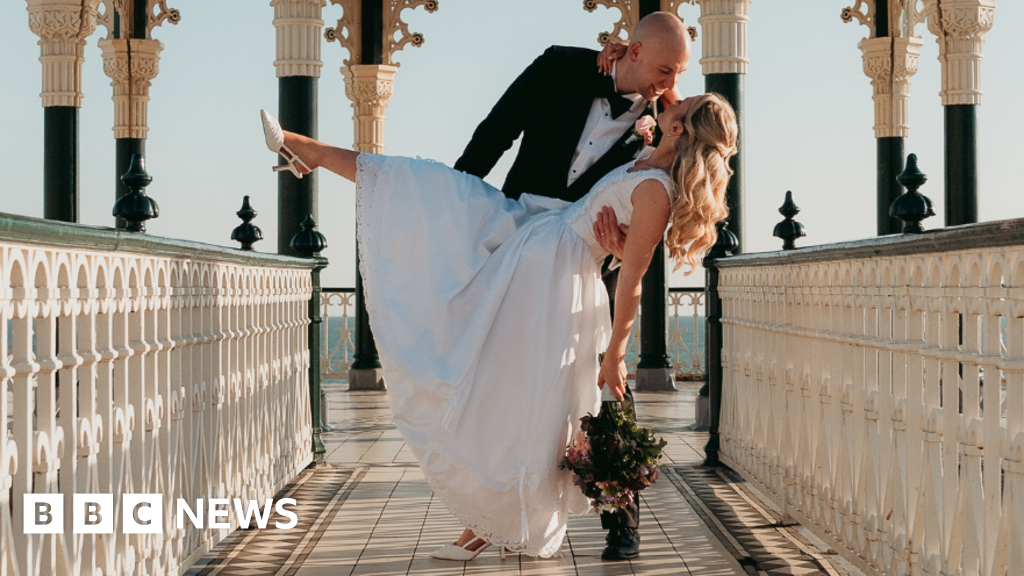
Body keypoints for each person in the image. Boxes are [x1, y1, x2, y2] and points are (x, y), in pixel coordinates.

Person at [260, 92, 736, 561]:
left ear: (679, 128)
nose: (667, 98)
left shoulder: (655, 190)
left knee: (516, 398)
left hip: (552, 279)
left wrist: (614, 355)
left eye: (678, 103)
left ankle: (491, 521)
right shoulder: (651, 157)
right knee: (430, 189)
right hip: (538, 248)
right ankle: (309, 151)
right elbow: (674, 109)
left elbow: (632, 282)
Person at [453, 12, 692, 560]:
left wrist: (621, 247)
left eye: (676, 74)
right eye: (663, 70)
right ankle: (501, 505)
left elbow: (687, 148)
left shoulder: (663, 120)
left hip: (591, 259)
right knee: (505, 374)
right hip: (519, 239)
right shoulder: (561, 67)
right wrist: (460, 206)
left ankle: (621, 520)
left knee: (605, 380)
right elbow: (494, 132)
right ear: (632, 52)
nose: (668, 83)